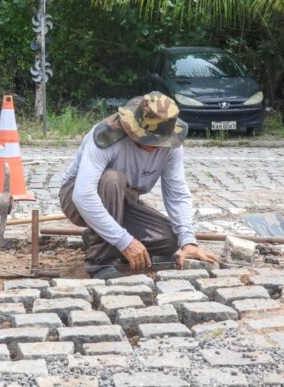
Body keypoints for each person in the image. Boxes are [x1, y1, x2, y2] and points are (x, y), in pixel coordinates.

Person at [60, 92, 219, 279]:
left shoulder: (171, 144)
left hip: (124, 201)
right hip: (76, 198)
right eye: (149, 140)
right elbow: (83, 195)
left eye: (158, 141)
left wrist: (189, 242)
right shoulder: (107, 136)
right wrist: (125, 241)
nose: (154, 147)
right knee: (112, 179)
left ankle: (98, 237)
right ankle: (100, 262)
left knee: (170, 239)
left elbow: (177, 194)